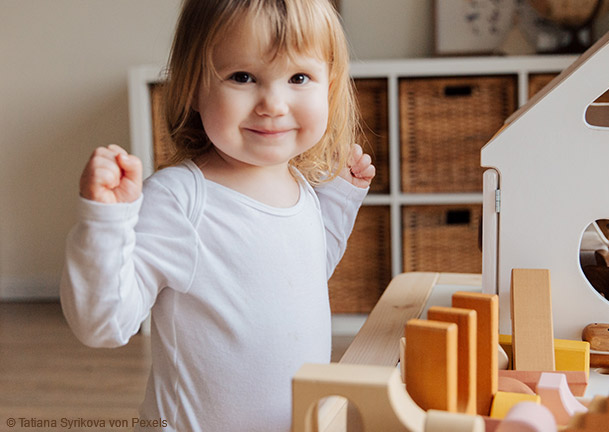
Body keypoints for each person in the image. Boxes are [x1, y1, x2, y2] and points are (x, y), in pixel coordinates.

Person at [60, 0, 374, 430]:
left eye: (299, 77)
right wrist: (105, 223)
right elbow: (103, 324)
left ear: (330, 87)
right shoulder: (180, 202)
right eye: (243, 77)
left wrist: (339, 200)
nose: (274, 103)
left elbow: (307, 273)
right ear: (193, 85)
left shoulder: (300, 188)